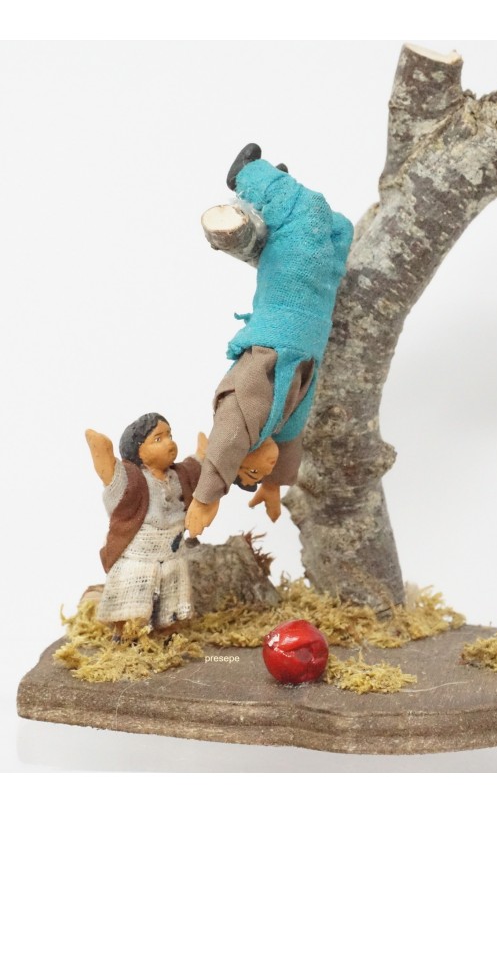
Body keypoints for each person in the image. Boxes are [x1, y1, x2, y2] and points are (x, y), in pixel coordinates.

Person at [186, 145, 353, 538]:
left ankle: (250, 176)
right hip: (314, 318)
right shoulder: (277, 421)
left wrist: (206, 498)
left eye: (251, 472)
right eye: (257, 476)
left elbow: (226, 438)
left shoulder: (248, 406)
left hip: (286, 311)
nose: (260, 469)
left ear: (242, 457)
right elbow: (292, 438)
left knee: (312, 211)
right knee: (339, 230)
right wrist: (274, 484)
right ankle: (272, 202)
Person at [85, 413, 201, 636]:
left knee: (172, 599)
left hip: (172, 554)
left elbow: (196, 468)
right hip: (139, 558)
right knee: (130, 599)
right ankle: (122, 632)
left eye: (169, 435)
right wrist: (103, 451)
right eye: (158, 439)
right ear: (137, 450)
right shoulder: (132, 479)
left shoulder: (178, 475)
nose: (169, 443)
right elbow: (111, 474)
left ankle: (169, 630)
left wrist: (203, 455)